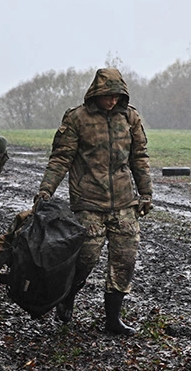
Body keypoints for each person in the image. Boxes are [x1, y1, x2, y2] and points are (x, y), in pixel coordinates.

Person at [35, 68, 152, 334]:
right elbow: (61, 158)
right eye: (107, 96)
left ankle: (113, 320)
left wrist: (146, 193)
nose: (112, 101)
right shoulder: (77, 118)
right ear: (96, 93)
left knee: (125, 261)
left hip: (124, 201)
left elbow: (140, 157)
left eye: (117, 96)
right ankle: (66, 297)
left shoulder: (130, 117)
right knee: (84, 259)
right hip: (88, 201)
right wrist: (46, 189)